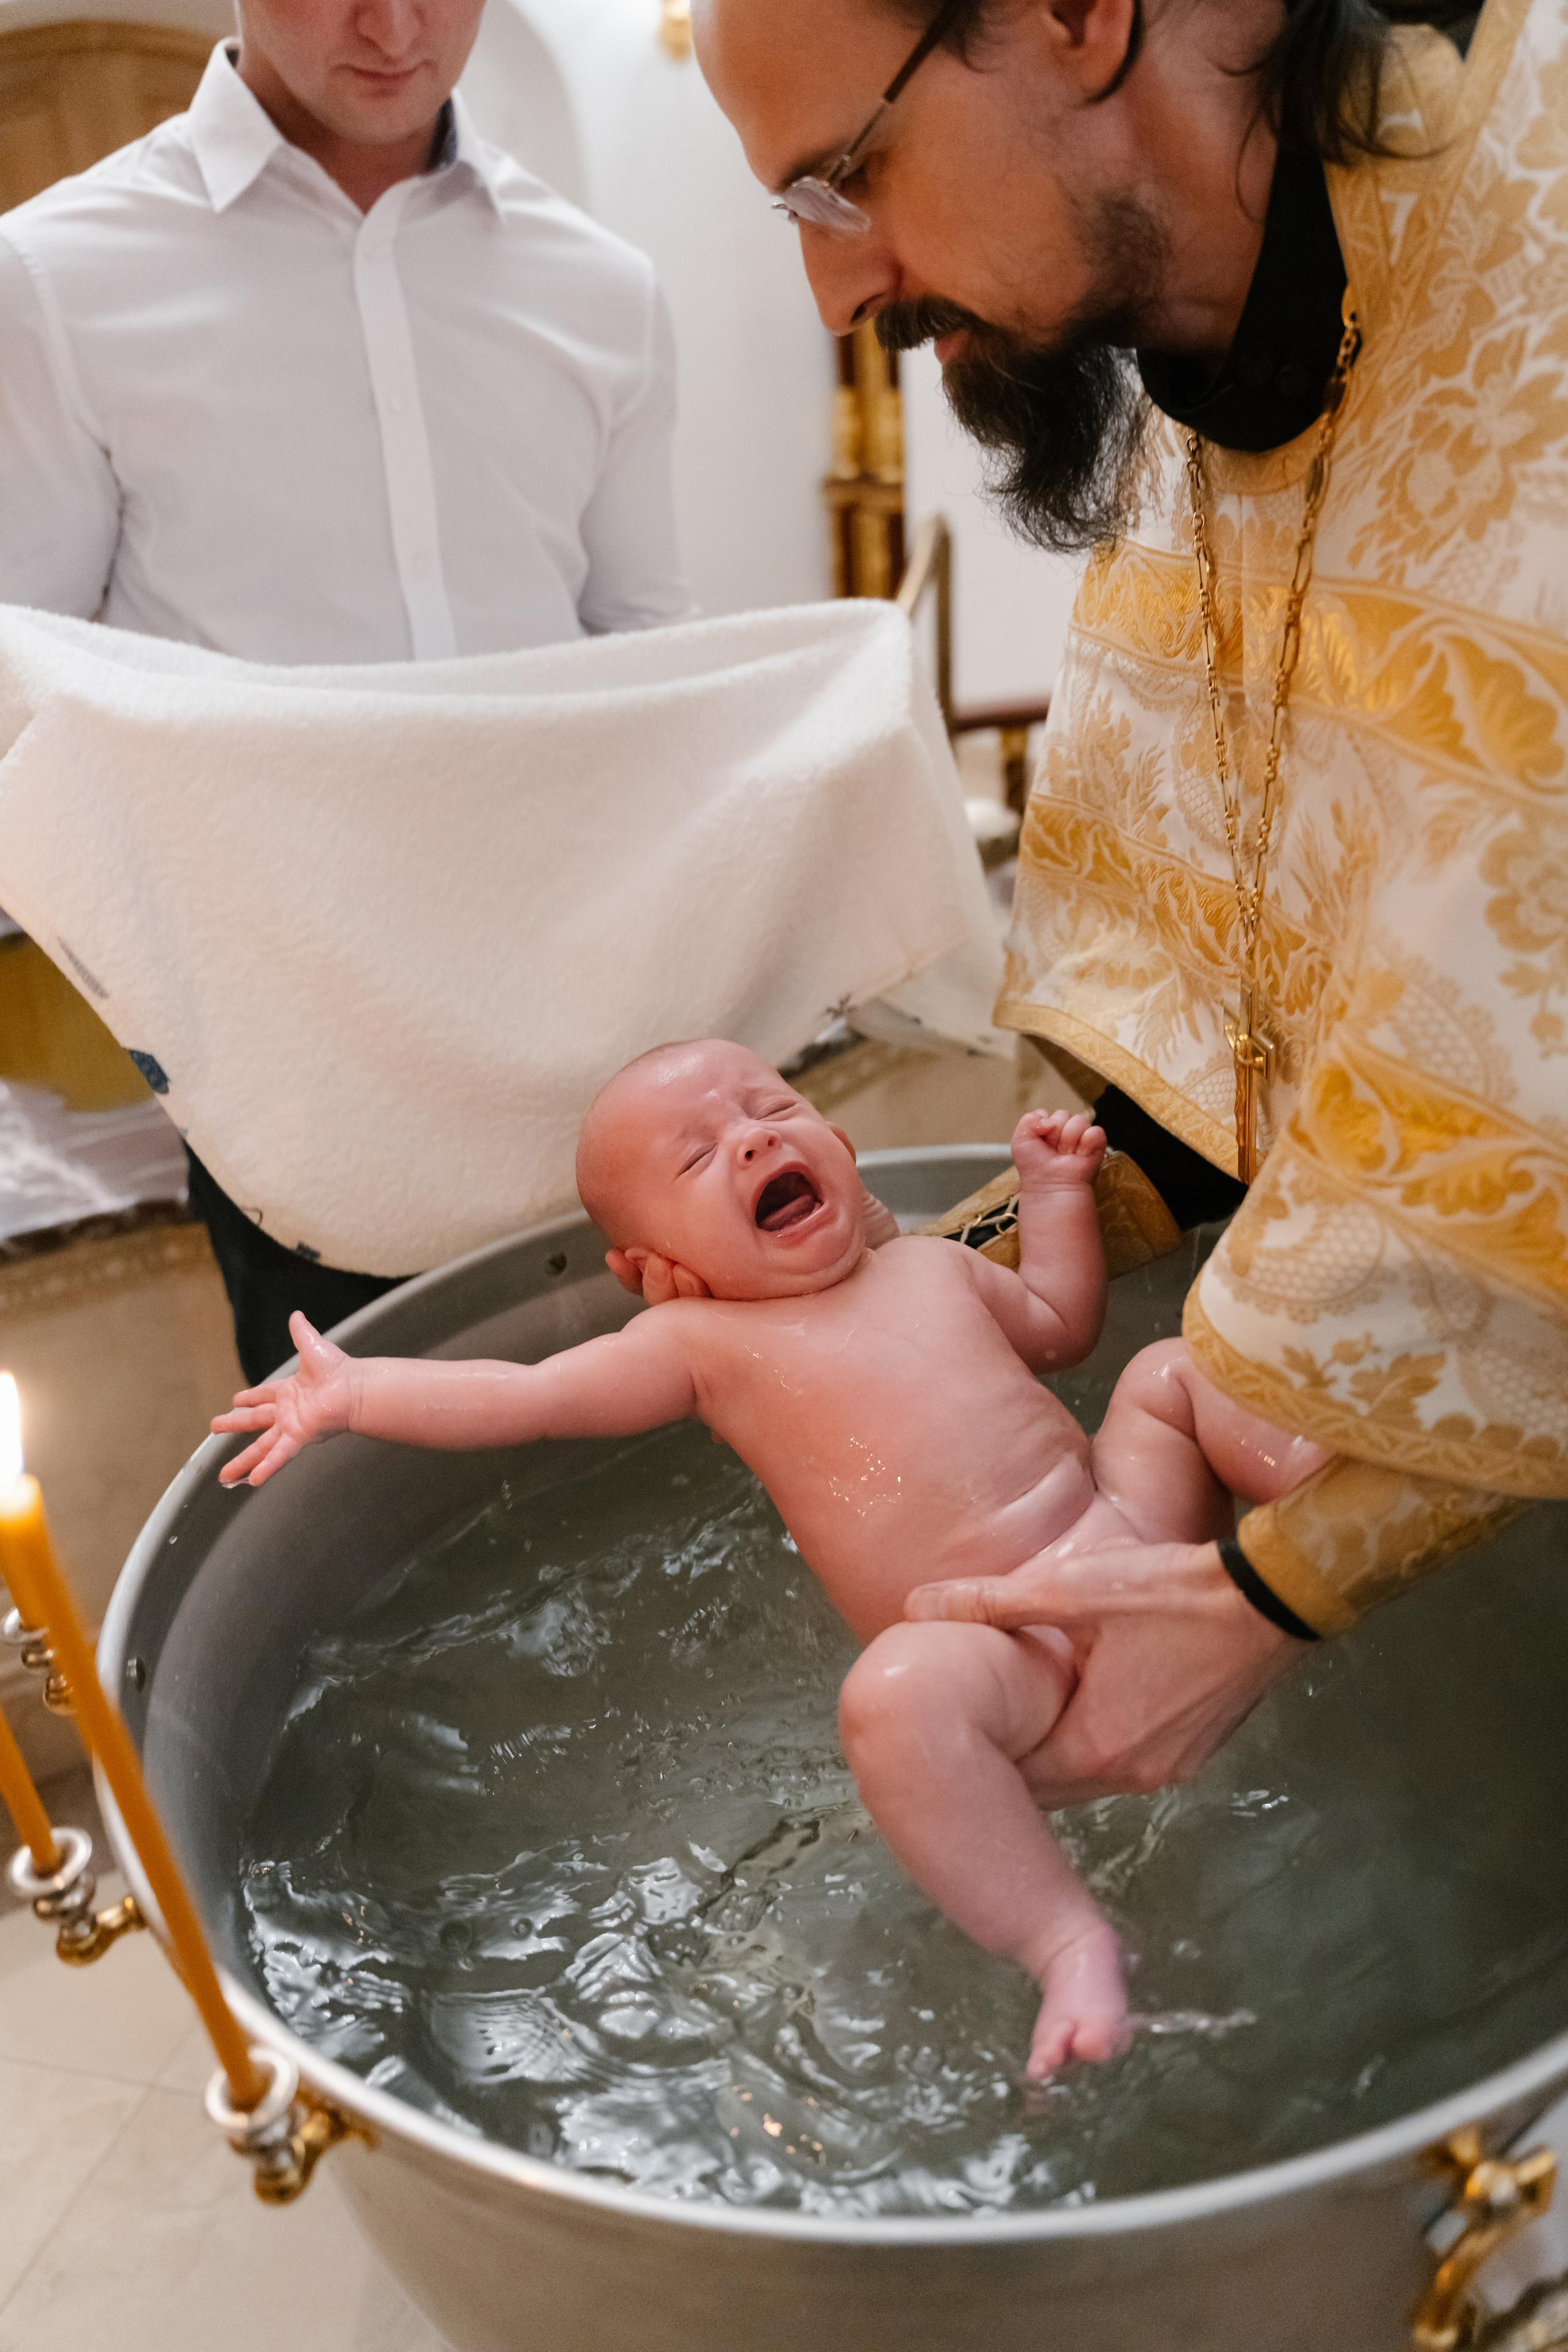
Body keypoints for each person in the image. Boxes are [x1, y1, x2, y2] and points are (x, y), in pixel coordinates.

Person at [692, 0, 1567, 1793]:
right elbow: (1221, 1070)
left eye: (845, 177)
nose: (836, 293)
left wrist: (1267, 1594)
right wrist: (881, 1308)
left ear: (1078, 15)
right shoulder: (1196, 379)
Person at [209, 1039, 1327, 2077]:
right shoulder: (700, 1346)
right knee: (892, 1695)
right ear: (653, 1267)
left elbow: (1060, 1325)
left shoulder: (933, 1265)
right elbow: (531, 1396)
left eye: (772, 1111)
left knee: (1169, 1375)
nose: (749, 1140)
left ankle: (1338, 1506)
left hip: (1131, 1531)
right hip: (1003, 1637)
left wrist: (1054, 1196)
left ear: (838, 1148)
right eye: (696, 1158)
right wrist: (360, 1392)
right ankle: (1067, 1940)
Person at [0, 0, 690, 1382]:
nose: (394, 24)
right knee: (348, 1452)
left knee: (632, 1403)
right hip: (280, 1039)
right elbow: (30, 678)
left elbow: (643, 646)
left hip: (575, 1001)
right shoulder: (53, 277)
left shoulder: (602, 285)